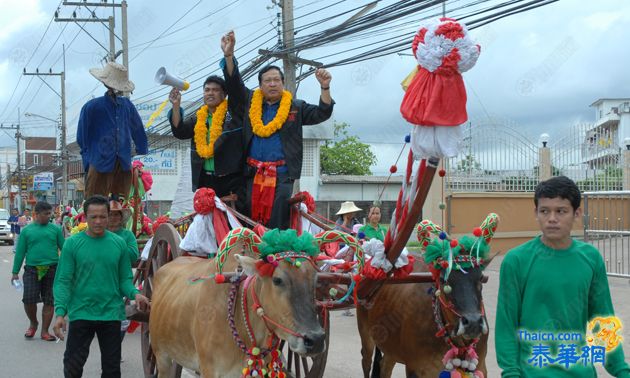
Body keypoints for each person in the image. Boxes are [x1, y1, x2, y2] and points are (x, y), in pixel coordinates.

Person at [495, 176, 629, 378]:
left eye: (561, 211)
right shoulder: (516, 261)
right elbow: (506, 324)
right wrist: (510, 373)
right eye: (544, 211)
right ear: (536, 213)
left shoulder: (591, 259)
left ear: (577, 213)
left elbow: (602, 319)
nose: (551, 218)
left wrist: (621, 370)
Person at [221, 30, 334, 229]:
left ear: (283, 83)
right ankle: (251, 256)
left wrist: (325, 87)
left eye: (277, 80)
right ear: (260, 86)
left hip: (282, 175)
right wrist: (229, 56)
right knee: (248, 217)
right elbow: (234, 84)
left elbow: (322, 113)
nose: (273, 84)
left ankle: (273, 257)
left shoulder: (295, 107)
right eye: (268, 80)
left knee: (277, 218)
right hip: (252, 173)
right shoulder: (249, 103)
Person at [53, 195, 150, 377]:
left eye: (102, 217)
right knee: (72, 367)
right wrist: (60, 313)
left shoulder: (119, 244)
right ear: (85, 217)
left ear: (108, 217)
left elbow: (124, 280)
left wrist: (135, 294)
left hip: (111, 314)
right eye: (93, 217)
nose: (98, 221)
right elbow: (63, 281)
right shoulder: (72, 244)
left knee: (112, 369)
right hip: (81, 313)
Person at [168, 75, 245, 209]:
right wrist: (176, 105)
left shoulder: (232, 116)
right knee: (207, 223)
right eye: (207, 90)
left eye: (215, 90)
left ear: (224, 94)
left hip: (231, 180)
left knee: (230, 223)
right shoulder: (199, 117)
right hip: (205, 179)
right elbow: (180, 131)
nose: (210, 93)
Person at [77, 61, 148, 199]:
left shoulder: (127, 106)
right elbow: (82, 138)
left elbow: (138, 129)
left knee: (120, 205)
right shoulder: (92, 107)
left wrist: (141, 148)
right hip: (99, 162)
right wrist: (89, 160)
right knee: (96, 203)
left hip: (123, 164)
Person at [11, 201, 64, 341]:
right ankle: (33, 323)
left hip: (52, 269)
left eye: (50, 213)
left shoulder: (56, 229)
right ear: (36, 214)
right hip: (32, 270)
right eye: (46, 214)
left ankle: (45, 331)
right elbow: (20, 253)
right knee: (28, 299)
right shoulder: (27, 231)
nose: (49, 216)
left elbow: (65, 250)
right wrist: (15, 272)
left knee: (49, 301)